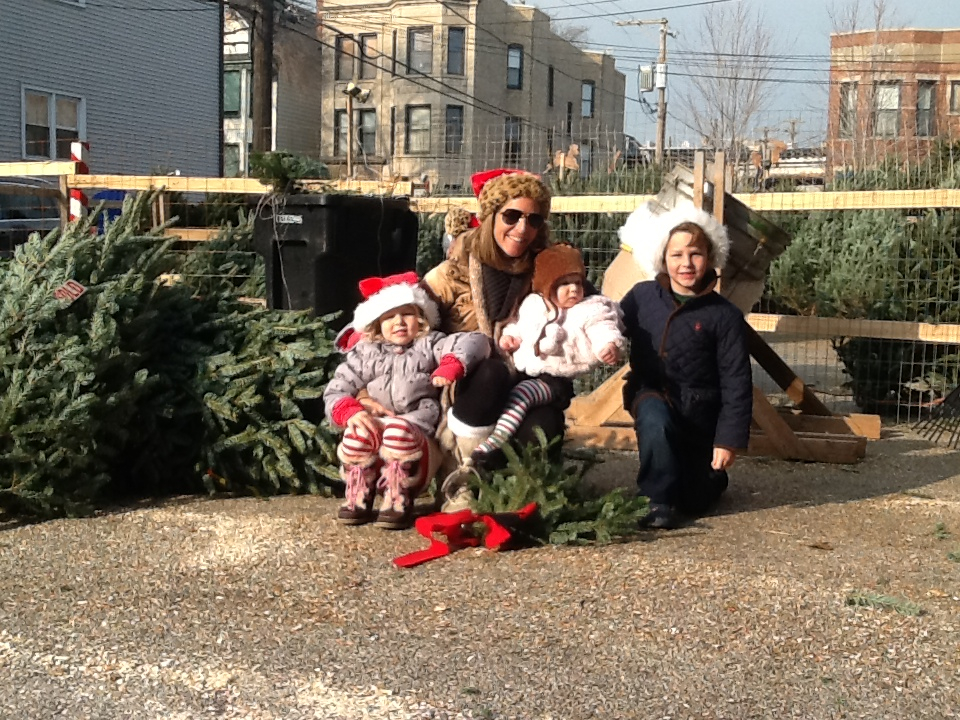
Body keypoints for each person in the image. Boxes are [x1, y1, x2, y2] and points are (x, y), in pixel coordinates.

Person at [423, 168, 564, 510]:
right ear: (489, 216)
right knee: (491, 372)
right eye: (512, 216)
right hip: (465, 386)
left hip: (525, 386)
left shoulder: (546, 270)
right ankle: (461, 478)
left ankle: (519, 493)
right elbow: (414, 333)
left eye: (533, 220)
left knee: (546, 424)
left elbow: (578, 321)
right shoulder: (451, 272)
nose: (522, 229)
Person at [618, 204, 753, 529]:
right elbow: (611, 323)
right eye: (676, 255)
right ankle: (654, 501)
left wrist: (727, 439)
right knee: (655, 420)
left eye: (695, 254)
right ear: (662, 257)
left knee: (693, 500)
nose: (686, 263)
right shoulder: (641, 297)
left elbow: (737, 381)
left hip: (699, 411)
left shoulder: (724, 316)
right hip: (651, 392)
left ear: (711, 256)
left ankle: (702, 481)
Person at [323, 272, 489, 529]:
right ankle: (359, 491)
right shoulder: (366, 352)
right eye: (389, 316)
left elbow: (475, 341)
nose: (399, 322)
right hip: (378, 442)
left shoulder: (429, 344)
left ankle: (399, 495)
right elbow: (337, 387)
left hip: (417, 442)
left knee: (398, 429)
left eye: (407, 314)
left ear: (421, 317)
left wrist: (451, 363)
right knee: (357, 431)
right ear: (377, 322)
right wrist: (349, 410)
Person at [471, 243, 626, 460]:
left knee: (521, 395)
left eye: (577, 282)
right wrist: (510, 337)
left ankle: (498, 440)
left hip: (554, 380)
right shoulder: (533, 305)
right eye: (564, 284)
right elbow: (519, 324)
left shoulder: (589, 309)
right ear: (546, 286)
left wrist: (607, 346)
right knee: (515, 394)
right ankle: (505, 447)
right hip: (527, 373)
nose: (573, 289)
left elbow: (604, 327)